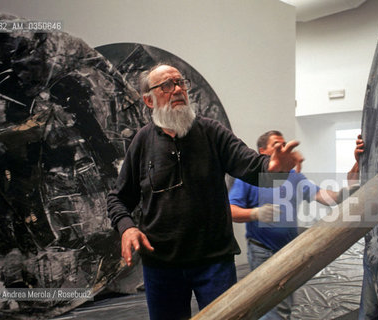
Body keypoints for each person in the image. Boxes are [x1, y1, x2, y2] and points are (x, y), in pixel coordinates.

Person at [106, 64, 303, 320]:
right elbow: (118, 198)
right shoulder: (142, 142)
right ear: (149, 100)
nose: (177, 89)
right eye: (167, 85)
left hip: (214, 263)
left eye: (180, 83)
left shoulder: (212, 132)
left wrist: (275, 168)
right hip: (161, 266)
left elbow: (252, 165)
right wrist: (127, 227)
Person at [229, 130, 363, 319]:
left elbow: (323, 197)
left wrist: (345, 192)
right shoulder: (249, 179)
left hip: (288, 251)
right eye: (277, 145)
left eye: (284, 145)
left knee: (282, 305)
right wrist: (255, 213)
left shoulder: (294, 177)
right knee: (269, 306)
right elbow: (231, 210)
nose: (283, 150)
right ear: (262, 151)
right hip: (262, 251)